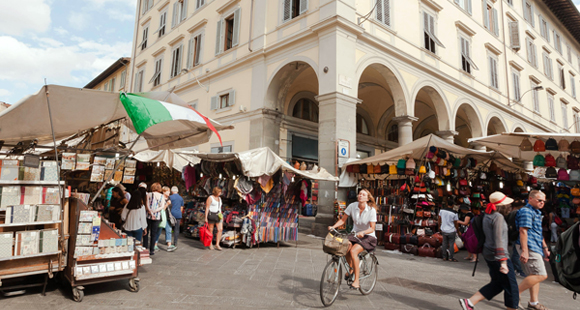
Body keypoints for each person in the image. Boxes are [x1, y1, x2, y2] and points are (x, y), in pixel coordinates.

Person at [459, 192, 519, 310]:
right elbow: (499, 239)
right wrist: (503, 261)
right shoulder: (498, 217)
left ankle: (470, 302)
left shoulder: (487, 215)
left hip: (489, 253)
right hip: (498, 256)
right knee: (511, 287)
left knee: (498, 283)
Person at [328, 189, 377, 290]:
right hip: (355, 234)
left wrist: (363, 232)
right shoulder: (352, 206)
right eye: (359, 194)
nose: (360, 196)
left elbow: (372, 228)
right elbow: (342, 220)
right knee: (345, 247)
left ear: (367, 199)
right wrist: (333, 227)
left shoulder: (371, 210)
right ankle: (351, 269)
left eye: (363, 195)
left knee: (354, 251)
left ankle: (357, 281)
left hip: (368, 236)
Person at [516, 190, 551, 310]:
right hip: (529, 246)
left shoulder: (536, 212)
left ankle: (533, 302)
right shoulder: (526, 211)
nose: (542, 203)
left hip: (535, 245)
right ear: (530, 199)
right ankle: (514, 295)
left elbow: (538, 232)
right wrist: (525, 250)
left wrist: (545, 248)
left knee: (534, 275)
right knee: (541, 275)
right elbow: (523, 231)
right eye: (539, 200)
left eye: (543, 201)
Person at [506, 200, 526, 278]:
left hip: (513, 235)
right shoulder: (518, 213)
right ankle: (518, 269)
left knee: (515, 253)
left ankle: (513, 268)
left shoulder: (511, 213)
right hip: (517, 235)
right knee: (516, 254)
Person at [144, 182, 165, 256]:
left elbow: (147, 204)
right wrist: (155, 212)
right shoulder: (162, 196)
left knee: (146, 232)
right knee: (154, 233)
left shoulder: (149, 194)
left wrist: (150, 212)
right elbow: (162, 206)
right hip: (157, 216)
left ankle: (145, 247)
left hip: (148, 215)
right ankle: (152, 249)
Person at [168, 186, 184, 252]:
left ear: (172, 191)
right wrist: (180, 213)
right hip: (178, 214)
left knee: (169, 228)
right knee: (177, 229)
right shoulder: (181, 198)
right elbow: (181, 207)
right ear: (177, 191)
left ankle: (169, 241)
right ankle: (175, 242)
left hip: (171, 214)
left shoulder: (170, 197)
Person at [156, 186, 172, 251]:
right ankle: (155, 244)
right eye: (168, 191)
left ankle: (169, 245)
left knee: (169, 230)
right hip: (162, 217)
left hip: (167, 217)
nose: (169, 192)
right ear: (164, 191)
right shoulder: (161, 198)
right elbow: (162, 209)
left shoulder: (169, 198)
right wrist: (167, 204)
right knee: (159, 231)